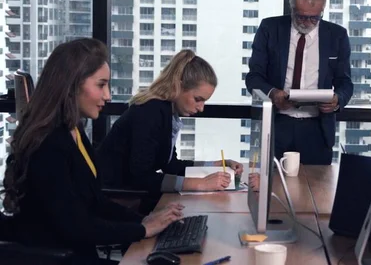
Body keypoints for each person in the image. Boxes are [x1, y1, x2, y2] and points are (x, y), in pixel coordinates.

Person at [1, 38, 184, 264]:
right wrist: (141, 230)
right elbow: (76, 227)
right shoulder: (49, 145)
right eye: (101, 85)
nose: (107, 96)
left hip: (78, 254)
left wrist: (145, 220)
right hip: (61, 258)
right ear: (72, 85)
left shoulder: (73, 131)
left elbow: (96, 202)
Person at [98, 50, 244, 198]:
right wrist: (201, 184)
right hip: (112, 197)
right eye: (198, 99)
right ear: (178, 86)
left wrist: (215, 165)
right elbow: (140, 177)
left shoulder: (166, 112)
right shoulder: (151, 112)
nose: (201, 108)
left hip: (125, 193)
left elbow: (171, 166)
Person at [245, 0, 354, 165]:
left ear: (322, 10)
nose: (307, 22)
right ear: (292, 8)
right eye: (301, 16)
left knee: (316, 189)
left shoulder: (337, 35)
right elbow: (254, 77)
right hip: (277, 124)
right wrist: (273, 93)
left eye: (314, 17)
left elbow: (345, 82)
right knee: (272, 186)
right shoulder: (270, 29)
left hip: (317, 129)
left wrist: (337, 101)